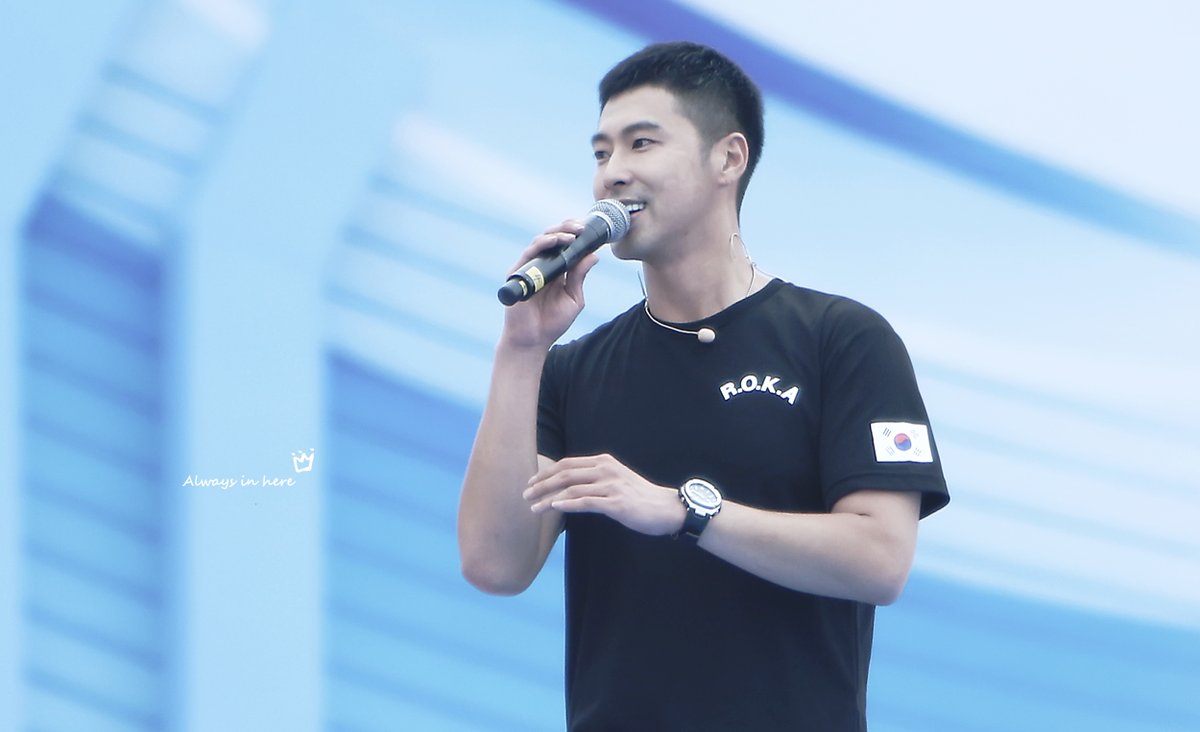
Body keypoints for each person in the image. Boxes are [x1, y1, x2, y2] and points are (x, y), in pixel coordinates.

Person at [458, 41, 949, 731]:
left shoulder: (841, 340)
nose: (612, 173)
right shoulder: (569, 370)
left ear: (729, 158)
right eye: (601, 152)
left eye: (642, 143)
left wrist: (685, 512)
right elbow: (494, 564)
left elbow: (880, 560)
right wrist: (522, 349)